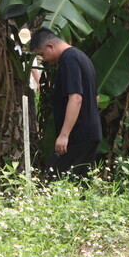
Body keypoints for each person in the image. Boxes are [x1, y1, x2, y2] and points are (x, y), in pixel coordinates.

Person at [29, 28, 101, 178]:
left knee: (54, 180)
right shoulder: (81, 56)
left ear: (50, 46)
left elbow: (76, 98)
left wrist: (64, 135)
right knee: (78, 182)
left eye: (42, 54)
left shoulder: (69, 59)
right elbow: (95, 98)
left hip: (77, 136)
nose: (45, 59)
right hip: (89, 133)